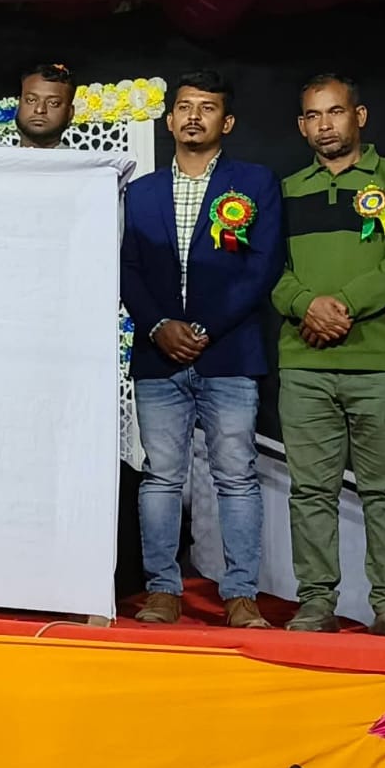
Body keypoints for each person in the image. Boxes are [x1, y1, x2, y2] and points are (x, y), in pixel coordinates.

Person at [120, 70, 283, 629]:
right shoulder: (140, 191)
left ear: (226, 121)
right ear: (169, 119)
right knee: (161, 477)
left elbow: (262, 266)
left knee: (235, 475)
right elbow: (128, 268)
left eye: (207, 107)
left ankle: (241, 595)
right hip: (158, 354)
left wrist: (205, 328)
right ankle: (162, 590)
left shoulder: (255, 183)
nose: (194, 116)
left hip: (230, 353)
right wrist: (158, 325)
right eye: (185, 106)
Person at [273, 73, 385, 638]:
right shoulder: (285, 190)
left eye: (335, 112)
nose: (325, 125)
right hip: (304, 365)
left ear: (358, 116)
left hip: (382, 364)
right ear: (302, 126)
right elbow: (268, 270)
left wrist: (341, 304)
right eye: (314, 115)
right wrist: (305, 306)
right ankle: (316, 603)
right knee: (310, 492)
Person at [15, 63, 76, 148]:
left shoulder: (82, 157)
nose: (40, 109)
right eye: (31, 100)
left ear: (70, 113)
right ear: (18, 105)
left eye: (53, 103)